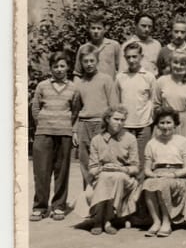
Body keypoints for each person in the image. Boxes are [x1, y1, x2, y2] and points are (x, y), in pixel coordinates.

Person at [30, 51, 80, 221]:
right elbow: (35, 108)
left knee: (62, 171)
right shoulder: (42, 86)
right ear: (51, 68)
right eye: (55, 66)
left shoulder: (73, 87)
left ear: (67, 67)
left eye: (62, 66)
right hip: (44, 133)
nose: (59, 69)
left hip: (64, 133)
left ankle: (59, 206)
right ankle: (40, 207)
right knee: (41, 172)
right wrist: (44, 124)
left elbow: (75, 110)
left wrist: (65, 125)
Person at [86, 105, 140, 235]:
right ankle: (105, 221)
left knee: (117, 177)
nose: (120, 123)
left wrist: (122, 169)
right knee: (107, 177)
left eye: (122, 120)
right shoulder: (97, 140)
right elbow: (92, 168)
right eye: (116, 119)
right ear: (107, 119)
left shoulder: (130, 138)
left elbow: (135, 168)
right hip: (101, 178)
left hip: (125, 179)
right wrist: (102, 169)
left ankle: (101, 220)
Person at [73, 45, 118, 189]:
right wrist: (74, 131)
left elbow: (113, 106)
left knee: (104, 160)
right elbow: (76, 110)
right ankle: (88, 195)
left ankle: (104, 195)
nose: (89, 64)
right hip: (84, 125)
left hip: (101, 124)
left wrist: (111, 128)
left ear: (97, 61)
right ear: (81, 63)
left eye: (92, 60)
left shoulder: (106, 79)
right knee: (85, 162)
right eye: (85, 61)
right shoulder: (79, 84)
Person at [142, 108, 186, 237]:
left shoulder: (183, 141)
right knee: (148, 184)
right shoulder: (152, 143)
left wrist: (173, 174)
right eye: (162, 123)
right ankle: (156, 221)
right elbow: (147, 169)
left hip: (178, 175)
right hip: (158, 173)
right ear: (157, 125)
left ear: (175, 124)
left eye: (168, 122)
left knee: (162, 184)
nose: (165, 126)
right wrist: (154, 174)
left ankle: (166, 221)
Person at [115, 42, 156, 180]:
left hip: (143, 125)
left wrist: (151, 120)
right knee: (125, 161)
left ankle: (139, 197)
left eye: (135, 56)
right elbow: (117, 102)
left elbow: (154, 100)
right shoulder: (120, 77)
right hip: (125, 126)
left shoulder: (149, 77)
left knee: (142, 162)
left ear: (141, 57)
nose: (131, 60)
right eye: (128, 57)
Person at [153, 50, 186, 142]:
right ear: (170, 63)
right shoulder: (161, 81)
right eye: (176, 62)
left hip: (185, 124)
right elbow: (156, 105)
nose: (179, 66)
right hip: (165, 122)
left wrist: (184, 119)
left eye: (182, 64)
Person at [73, 11, 121, 79]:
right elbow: (77, 73)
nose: (96, 31)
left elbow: (121, 69)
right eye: (93, 28)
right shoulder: (83, 48)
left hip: (109, 87)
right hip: (90, 87)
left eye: (99, 28)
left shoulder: (114, 45)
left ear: (105, 30)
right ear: (88, 29)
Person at [157, 15, 186, 80]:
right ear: (171, 32)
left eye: (182, 32)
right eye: (176, 32)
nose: (179, 35)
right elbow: (160, 72)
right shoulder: (163, 51)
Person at [120, 12, 162, 76]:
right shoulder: (127, 45)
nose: (147, 29)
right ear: (136, 25)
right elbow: (122, 71)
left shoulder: (156, 45)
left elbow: (160, 69)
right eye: (143, 26)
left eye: (149, 26)